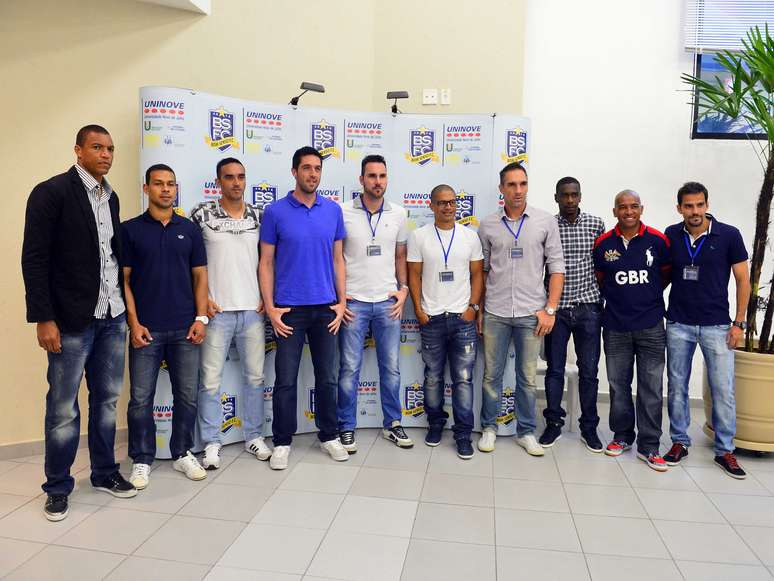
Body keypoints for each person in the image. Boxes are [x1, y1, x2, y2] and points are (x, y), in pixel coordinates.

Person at [22, 125, 136, 521]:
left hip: (112, 316)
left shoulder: (111, 196)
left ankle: (104, 472)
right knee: (63, 409)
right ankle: (57, 487)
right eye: (97, 147)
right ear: (78, 150)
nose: (105, 154)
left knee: (105, 402)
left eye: (110, 148)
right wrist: (43, 318)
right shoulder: (51, 192)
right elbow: (34, 260)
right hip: (70, 321)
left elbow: (109, 257)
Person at [259, 146, 348, 470]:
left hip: (326, 308)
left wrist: (341, 302)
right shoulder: (275, 212)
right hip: (289, 311)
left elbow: (338, 259)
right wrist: (270, 307)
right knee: (285, 379)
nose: (313, 173)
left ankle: (329, 436)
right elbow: (266, 262)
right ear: (294, 171)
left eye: (317, 168)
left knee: (327, 378)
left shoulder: (332, 211)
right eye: (306, 168)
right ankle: (282, 441)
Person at [122, 164, 209, 488]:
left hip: (186, 328)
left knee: (186, 396)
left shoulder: (189, 229)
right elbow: (125, 281)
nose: (166, 189)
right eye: (158, 184)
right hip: (147, 329)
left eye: (171, 184)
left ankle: (182, 452)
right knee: (140, 399)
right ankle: (142, 459)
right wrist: (134, 323)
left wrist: (201, 318)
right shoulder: (129, 230)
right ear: (146, 189)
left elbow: (201, 276)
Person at [477, 162, 565, 456]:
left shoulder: (544, 222)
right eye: (511, 185)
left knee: (527, 378)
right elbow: (484, 271)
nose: (518, 190)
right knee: (492, 375)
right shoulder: (488, 224)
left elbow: (556, 269)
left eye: (523, 184)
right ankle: (489, 427)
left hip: (531, 314)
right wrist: (479, 310)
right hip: (495, 313)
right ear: (501, 189)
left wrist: (549, 310)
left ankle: (525, 431)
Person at [663, 182, 750, 479]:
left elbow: (743, 281)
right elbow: (662, 276)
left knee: (723, 389)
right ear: (679, 208)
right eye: (688, 206)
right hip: (679, 324)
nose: (695, 211)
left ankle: (725, 450)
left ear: (707, 204)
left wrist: (739, 323)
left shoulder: (729, 235)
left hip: (717, 326)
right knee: (676, 386)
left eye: (700, 205)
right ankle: (679, 442)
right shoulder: (671, 235)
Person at [191, 158, 270, 470]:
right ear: (218, 182)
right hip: (217, 312)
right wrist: (202, 300)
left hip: (253, 310)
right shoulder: (201, 214)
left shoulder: (260, 216)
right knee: (210, 381)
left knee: (255, 378)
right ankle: (211, 442)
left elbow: (269, 261)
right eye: (229, 178)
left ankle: (254, 435)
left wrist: (268, 296)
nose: (236, 183)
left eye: (241, 177)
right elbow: (189, 261)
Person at [338, 155, 412, 452]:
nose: (377, 181)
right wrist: (340, 295)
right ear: (361, 180)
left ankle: (392, 424)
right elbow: (336, 257)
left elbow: (400, 256)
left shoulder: (399, 213)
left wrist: (403, 289)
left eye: (382, 176)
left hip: (387, 302)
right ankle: (346, 426)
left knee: (391, 368)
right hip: (353, 303)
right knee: (349, 368)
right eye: (371, 176)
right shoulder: (341, 212)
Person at [593, 190, 670, 471]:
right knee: (618, 385)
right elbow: (601, 279)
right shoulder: (602, 244)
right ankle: (622, 436)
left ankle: (649, 446)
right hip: (615, 327)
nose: (628, 212)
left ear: (641, 209)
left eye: (633, 206)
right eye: (622, 207)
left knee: (651, 387)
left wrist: (645, 297)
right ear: (614, 211)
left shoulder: (658, 240)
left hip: (651, 326)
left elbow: (665, 274)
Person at [407, 184, 484, 459]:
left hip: (462, 319)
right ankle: (436, 424)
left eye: (451, 202)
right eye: (441, 203)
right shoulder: (419, 237)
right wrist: (418, 309)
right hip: (432, 318)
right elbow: (413, 275)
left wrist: (473, 308)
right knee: (432, 377)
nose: (448, 207)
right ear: (431, 206)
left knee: (463, 379)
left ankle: (463, 434)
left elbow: (477, 274)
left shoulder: (470, 237)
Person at [540, 177, 605, 452]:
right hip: (557, 310)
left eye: (574, 195)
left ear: (580, 196)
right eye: (564, 195)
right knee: (554, 370)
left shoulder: (596, 224)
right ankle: (553, 424)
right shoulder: (547, 226)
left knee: (589, 371)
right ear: (556, 197)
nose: (569, 200)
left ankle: (588, 428)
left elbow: (604, 263)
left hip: (589, 307)